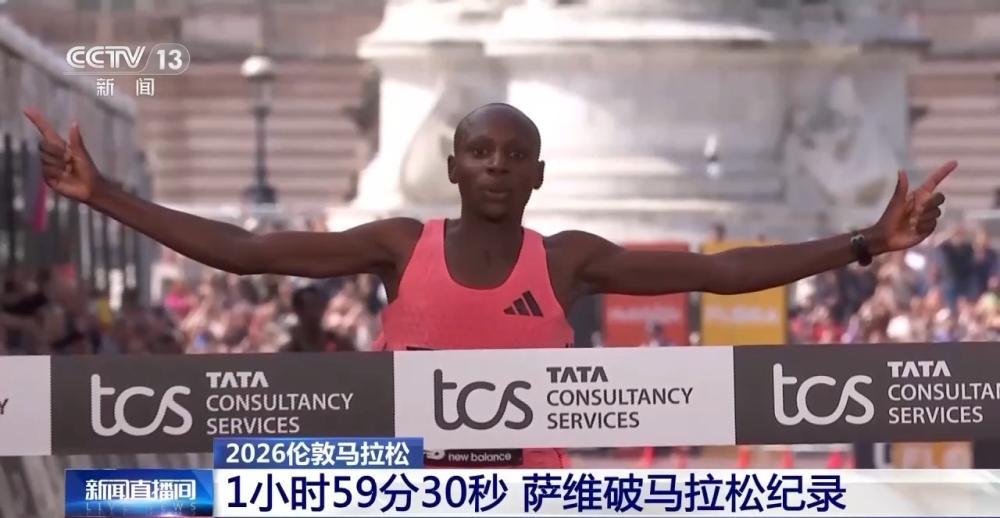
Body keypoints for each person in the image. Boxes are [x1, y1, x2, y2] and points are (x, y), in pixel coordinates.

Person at [25, 104, 954, 468]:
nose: (497, 168)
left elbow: (722, 272)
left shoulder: (566, 261)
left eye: (515, 156)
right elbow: (246, 251)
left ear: (538, 174)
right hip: (404, 487)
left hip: (530, 493)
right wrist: (104, 195)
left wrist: (866, 242)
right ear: (454, 166)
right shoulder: (399, 246)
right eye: (481, 153)